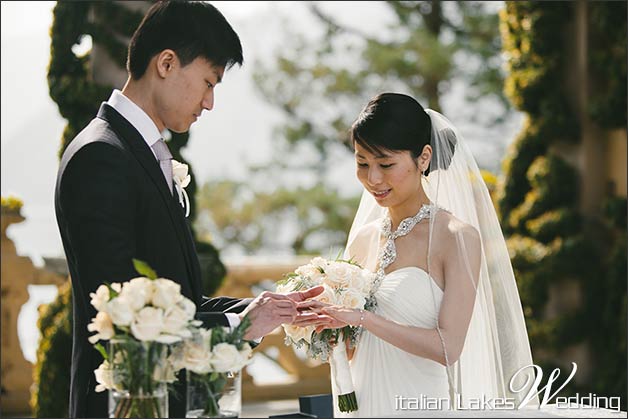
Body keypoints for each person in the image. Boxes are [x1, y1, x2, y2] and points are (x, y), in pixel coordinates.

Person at [54, 2, 322, 417]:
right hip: (127, 404)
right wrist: (240, 327)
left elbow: (177, 302)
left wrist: (260, 310)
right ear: (166, 63)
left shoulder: (138, 151)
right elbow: (122, 320)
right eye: (208, 82)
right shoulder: (100, 157)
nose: (210, 102)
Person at [300, 93, 537, 416]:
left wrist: (362, 318)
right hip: (363, 406)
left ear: (423, 158)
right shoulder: (363, 238)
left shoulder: (457, 237)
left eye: (385, 164)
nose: (373, 179)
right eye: (362, 164)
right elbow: (357, 349)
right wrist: (327, 329)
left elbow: (447, 347)